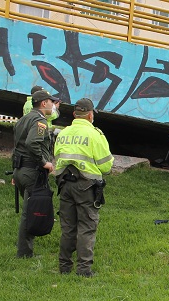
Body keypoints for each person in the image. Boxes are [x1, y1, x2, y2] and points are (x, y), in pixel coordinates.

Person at [54, 98, 113, 277]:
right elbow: (106, 166)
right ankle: (84, 270)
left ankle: (64, 267)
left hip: (65, 185)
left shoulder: (63, 133)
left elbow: (56, 157)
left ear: (74, 114)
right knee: (86, 227)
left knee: (68, 227)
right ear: (90, 114)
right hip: (86, 187)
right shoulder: (95, 134)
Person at [12, 90, 59, 258]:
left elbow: (18, 146)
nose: (53, 105)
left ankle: (26, 249)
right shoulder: (40, 121)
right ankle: (24, 253)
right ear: (43, 103)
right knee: (29, 213)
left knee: (30, 211)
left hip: (20, 171)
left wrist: (15, 172)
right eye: (51, 102)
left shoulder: (23, 119)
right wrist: (43, 162)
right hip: (32, 171)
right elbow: (33, 143)